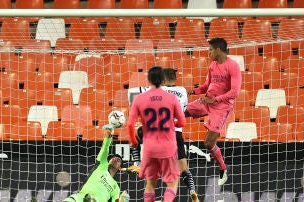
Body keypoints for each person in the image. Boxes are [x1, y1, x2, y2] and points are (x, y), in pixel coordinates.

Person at [124, 68, 200, 202]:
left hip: (153, 134)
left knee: (151, 181)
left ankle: (137, 163)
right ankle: (192, 190)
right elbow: (182, 120)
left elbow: (131, 94)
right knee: (182, 169)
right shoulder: (181, 91)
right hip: (174, 135)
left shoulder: (153, 91)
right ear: (175, 80)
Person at [185, 37, 242, 186]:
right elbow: (205, 86)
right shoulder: (212, 65)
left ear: (218, 50)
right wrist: (192, 91)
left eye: (210, 49)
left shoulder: (233, 66)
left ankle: (223, 167)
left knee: (208, 143)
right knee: (181, 111)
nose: (208, 52)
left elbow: (235, 92)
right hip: (207, 101)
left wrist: (215, 100)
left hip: (221, 107)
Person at [64, 124, 129, 202]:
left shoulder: (116, 187)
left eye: (118, 160)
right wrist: (108, 136)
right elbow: (105, 149)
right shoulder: (102, 165)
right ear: (108, 162)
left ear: (120, 168)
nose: (115, 159)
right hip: (81, 197)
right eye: (113, 158)